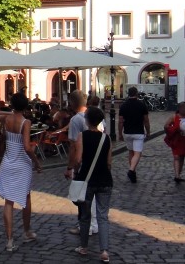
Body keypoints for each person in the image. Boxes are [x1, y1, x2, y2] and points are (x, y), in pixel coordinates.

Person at [0, 92, 43, 252]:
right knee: (26, 196)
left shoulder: (7, 119)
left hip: (8, 161)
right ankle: (27, 231)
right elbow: (27, 147)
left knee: (8, 201)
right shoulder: (26, 122)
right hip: (21, 163)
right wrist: (36, 162)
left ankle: (9, 240)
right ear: (26, 106)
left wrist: (11, 111)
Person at [73, 106, 113, 263]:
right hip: (105, 180)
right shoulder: (106, 138)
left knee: (85, 215)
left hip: (87, 180)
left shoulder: (81, 136)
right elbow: (109, 163)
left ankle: (83, 247)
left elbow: (77, 160)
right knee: (103, 216)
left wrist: (76, 172)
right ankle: (104, 251)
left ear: (87, 120)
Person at [65, 90, 99, 237]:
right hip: (98, 161)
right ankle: (94, 224)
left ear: (72, 103)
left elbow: (73, 146)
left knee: (82, 196)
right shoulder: (97, 117)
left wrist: (70, 167)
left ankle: (86, 226)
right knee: (94, 195)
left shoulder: (76, 120)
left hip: (84, 161)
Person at [117, 86, 150, 183]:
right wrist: (148, 131)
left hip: (127, 132)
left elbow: (121, 121)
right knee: (137, 153)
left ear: (128, 94)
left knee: (131, 152)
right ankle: (131, 170)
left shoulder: (124, 105)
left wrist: (120, 133)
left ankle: (133, 171)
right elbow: (146, 120)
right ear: (136, 94)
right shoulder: (142, 104)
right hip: (138, 132)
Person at [164, 102, 185, 183]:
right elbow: (166, 126)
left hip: (184, 139)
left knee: (182, 156)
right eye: (183, 108)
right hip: (176, 139)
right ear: (179, 109)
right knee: (176, 156)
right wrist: (173, 130)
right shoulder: (174, 117)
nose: (184, 109)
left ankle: (179, 174)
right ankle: (176, 175)